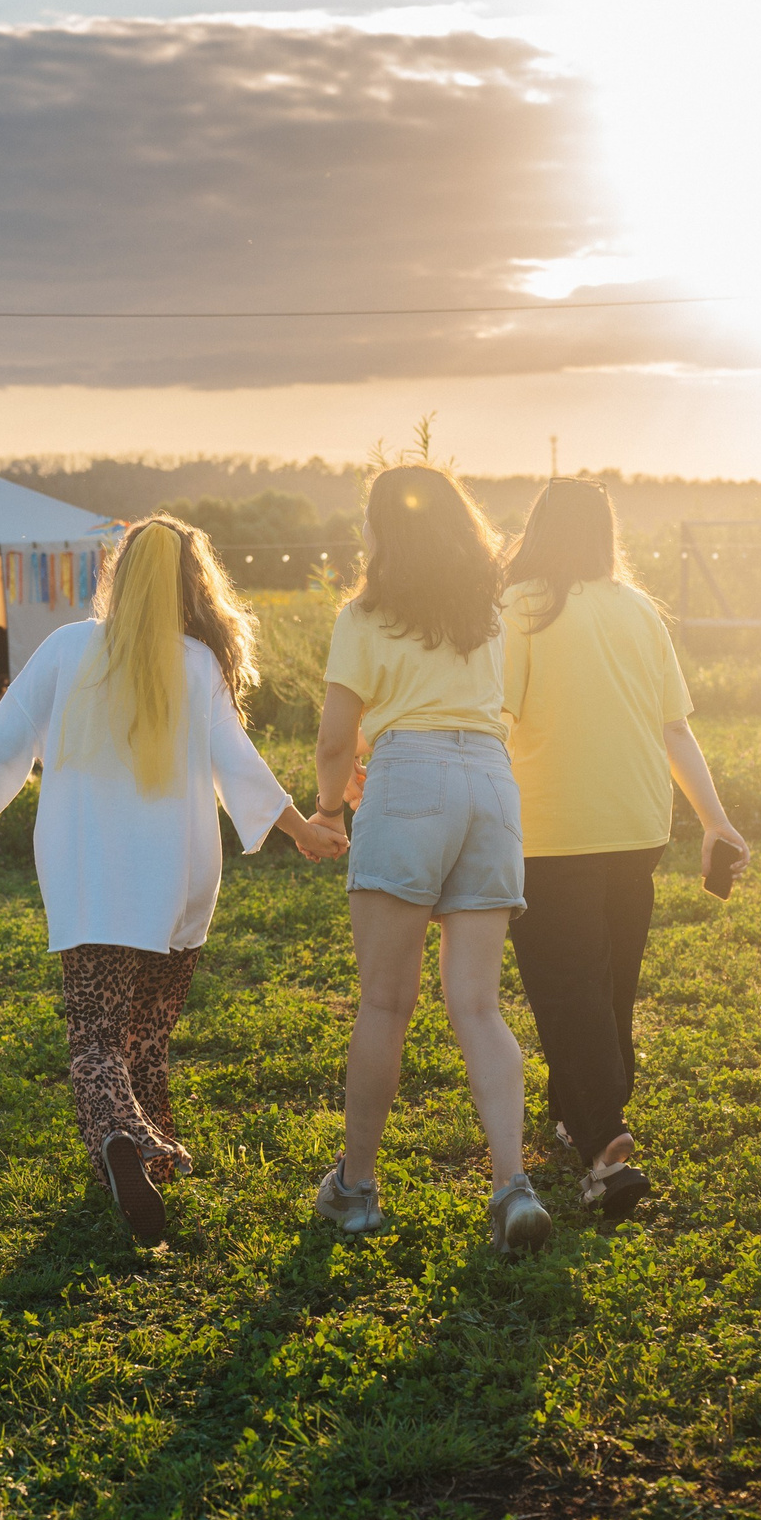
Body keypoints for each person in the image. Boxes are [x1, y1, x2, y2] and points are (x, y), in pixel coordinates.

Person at [0, 517, 347, 1244]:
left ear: (118, 572)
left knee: (95, 1037)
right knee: (146, 1033)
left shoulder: (66, 647)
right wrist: (302, 830)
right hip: (177, 873)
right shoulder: (199, 663)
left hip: (90, 870)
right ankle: (154, 1154)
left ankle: (120, 1140)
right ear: (191, 583)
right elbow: (238, 764)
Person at [308, 463, 550, 1253]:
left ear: (383, 531)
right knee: (478, 1006)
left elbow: (338, 736)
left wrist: (327, 801)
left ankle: (357, 1190)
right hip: (490, 780)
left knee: (385, 1003)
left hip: (408, 777)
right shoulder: (485, 614)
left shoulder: (365, 613)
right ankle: (512, 1187)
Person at [501, 480, 745, 1219]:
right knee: (609, 985)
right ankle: (573, 1109)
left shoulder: (520, 609)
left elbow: (493, 720)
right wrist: (714, 820)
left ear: (538, 529)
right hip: (639, 825)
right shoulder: (640, 611)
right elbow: (676, 730)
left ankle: (605, 1142)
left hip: (550, 830)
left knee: (566, 984)